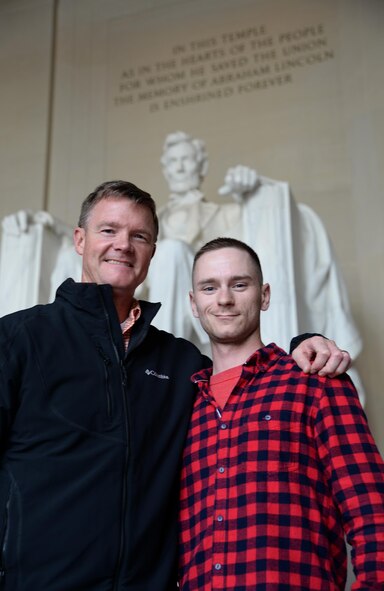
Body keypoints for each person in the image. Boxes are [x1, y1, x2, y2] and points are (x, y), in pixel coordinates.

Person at [0, 181, 350, 590]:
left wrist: (304, 342)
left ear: (152, 252)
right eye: (108, 230)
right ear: (80, 240)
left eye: (139, 236)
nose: (123, 245)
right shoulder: (18, 338)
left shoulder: (182, 363)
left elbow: (245, 379)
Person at [178, 237, 384, 591]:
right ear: (194, 304)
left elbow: (373, 513)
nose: (224, 299)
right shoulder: (183, 408)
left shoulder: (316, 382)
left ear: (264, 295)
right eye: (209, 287)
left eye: (239, 284)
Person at [145, 130, 365, 403]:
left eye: (187, 160)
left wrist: (254, 191)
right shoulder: (146, 226)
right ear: (165, 168)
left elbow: (279, 231)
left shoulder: (227, 215)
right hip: (172, 322)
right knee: (170, 252)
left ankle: (162, 378)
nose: (179, 167)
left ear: (202, 166)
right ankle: (160, 374)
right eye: (173, 161)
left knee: (173, 251)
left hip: (206, 327)